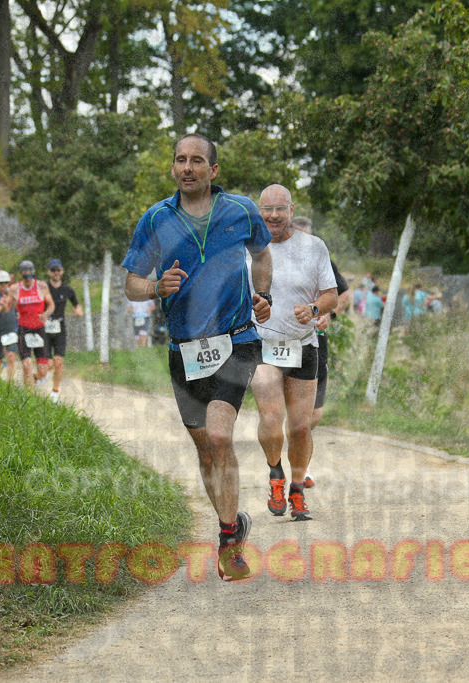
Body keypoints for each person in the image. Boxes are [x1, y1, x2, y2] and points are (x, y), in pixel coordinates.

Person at [122, 133, 273, 581]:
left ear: (213, 170)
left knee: (220, 435)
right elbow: (132, 283)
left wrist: (263, 295)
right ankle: (233, 523)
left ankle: (228, 545)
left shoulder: (241, 210)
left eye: (196, 161)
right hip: (184, 350)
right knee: (206, 451)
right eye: (180, 160)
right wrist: (155, 287)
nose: (187, 168)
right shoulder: (156, 219)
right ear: (173, 168)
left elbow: (262, 254)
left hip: (237, 339)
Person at [249, 188, 337, 523]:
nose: (273, 216)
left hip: (303, 344)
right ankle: (276, 475)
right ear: (259, 211)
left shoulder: (313, 247)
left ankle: (297, 491)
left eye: (280, 209)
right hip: (262, 345)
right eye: (267, 209)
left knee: (300, 427)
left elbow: (330, 295)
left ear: (291, 210)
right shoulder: (247, 248)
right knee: (272, 419)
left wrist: (314, 309)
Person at [291, 215, 350, 490]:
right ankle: (300, 471)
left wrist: (330, 314)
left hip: (316, 342)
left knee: (313, 416)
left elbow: (344, 295)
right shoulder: (273, 259)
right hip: (284, 343)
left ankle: (298, 454)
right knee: (290, 413)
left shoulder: (323, 261)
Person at [9, 260, 55, 389]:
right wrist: (14, 313)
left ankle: (35, 378)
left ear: (33, 273)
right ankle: (29, 394)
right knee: (27, 365)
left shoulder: (42, 286)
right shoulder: (14, 289)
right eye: (25, 276)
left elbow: (51, 304)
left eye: (30, 275)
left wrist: (46, 314)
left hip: (39, 329)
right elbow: (7, 306)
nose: (28, 279)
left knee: (44, 370)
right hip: (24, 329)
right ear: (20, 274)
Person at [44, 258, 84, 402]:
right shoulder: (44, 288)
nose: (56, 272)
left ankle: (55, 393)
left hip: (60, 329)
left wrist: (78, 310)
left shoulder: (67, 290)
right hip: (45, 329)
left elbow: (76, 304)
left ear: (62, 271)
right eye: (53, 270)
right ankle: (38, 378)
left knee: (59, 362)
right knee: (47, 365)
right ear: (49, 272)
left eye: (58, 270)